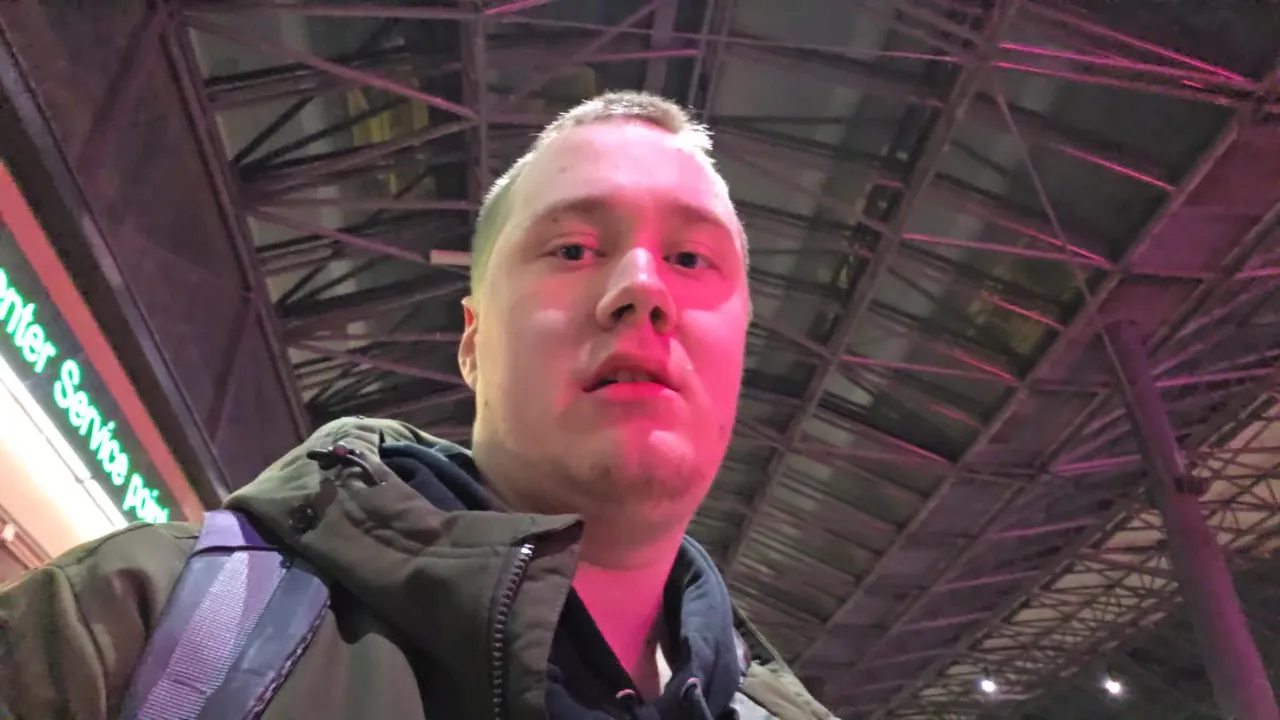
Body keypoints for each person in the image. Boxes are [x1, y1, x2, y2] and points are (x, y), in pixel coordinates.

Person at [0, 91, 834, 720]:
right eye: (574, 248)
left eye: (690, 260)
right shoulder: (132, 626)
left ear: (741, 345)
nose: (642, 289)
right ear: (471, 341)